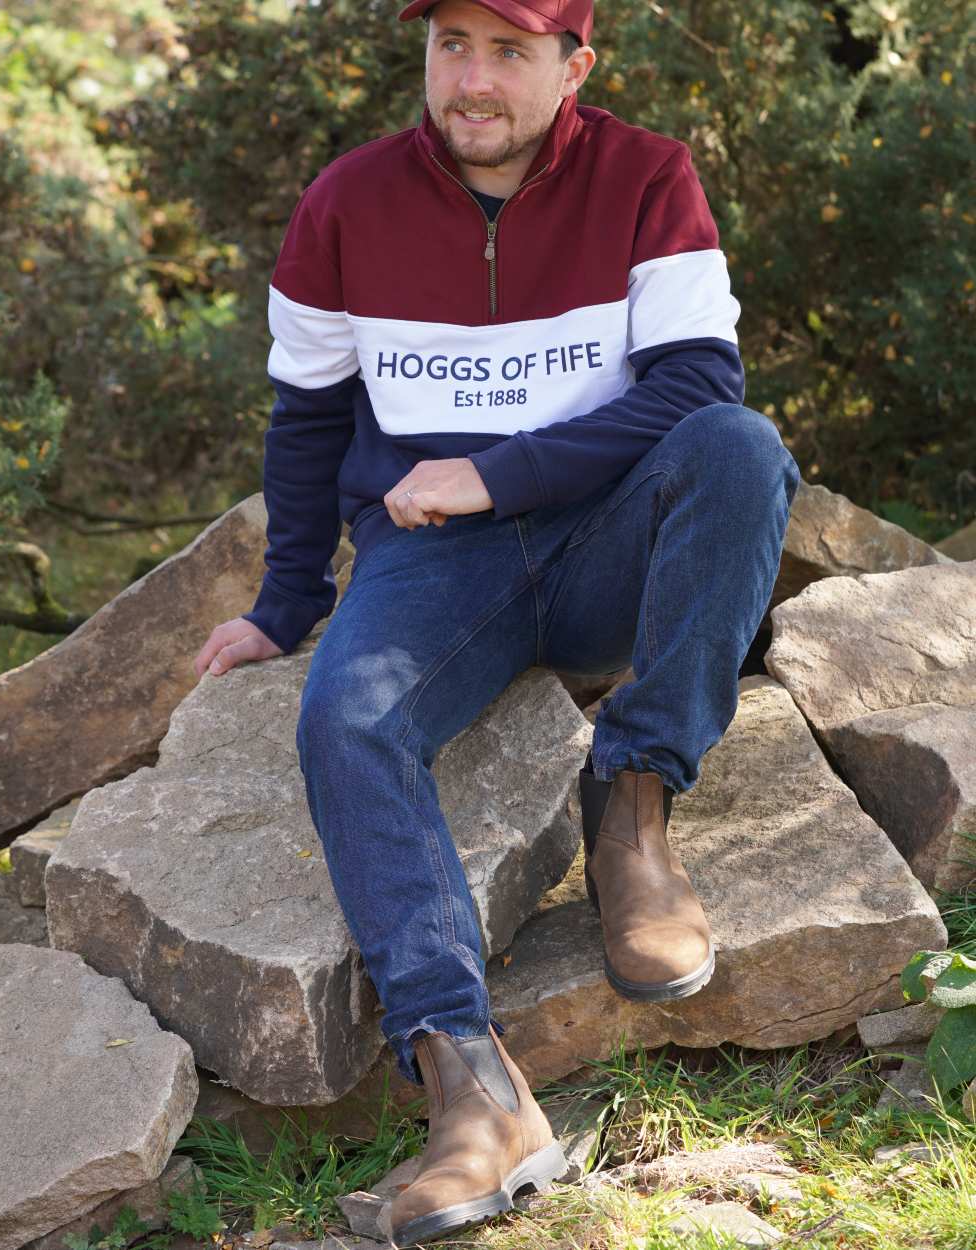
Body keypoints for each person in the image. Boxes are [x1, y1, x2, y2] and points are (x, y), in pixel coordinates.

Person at [194, 0, 801, 1243]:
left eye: (509, 52)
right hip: (431, 562)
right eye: (451, 46)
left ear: (575, 65)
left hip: (602, 541)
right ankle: (470, 1083)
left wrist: (499, 471)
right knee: (346, 721)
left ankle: (631, 801)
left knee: (738, 452)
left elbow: (697, 388)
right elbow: (306, 422)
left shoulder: (649, 177)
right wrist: (284, 603)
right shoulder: (346, 203)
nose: (471, 81)